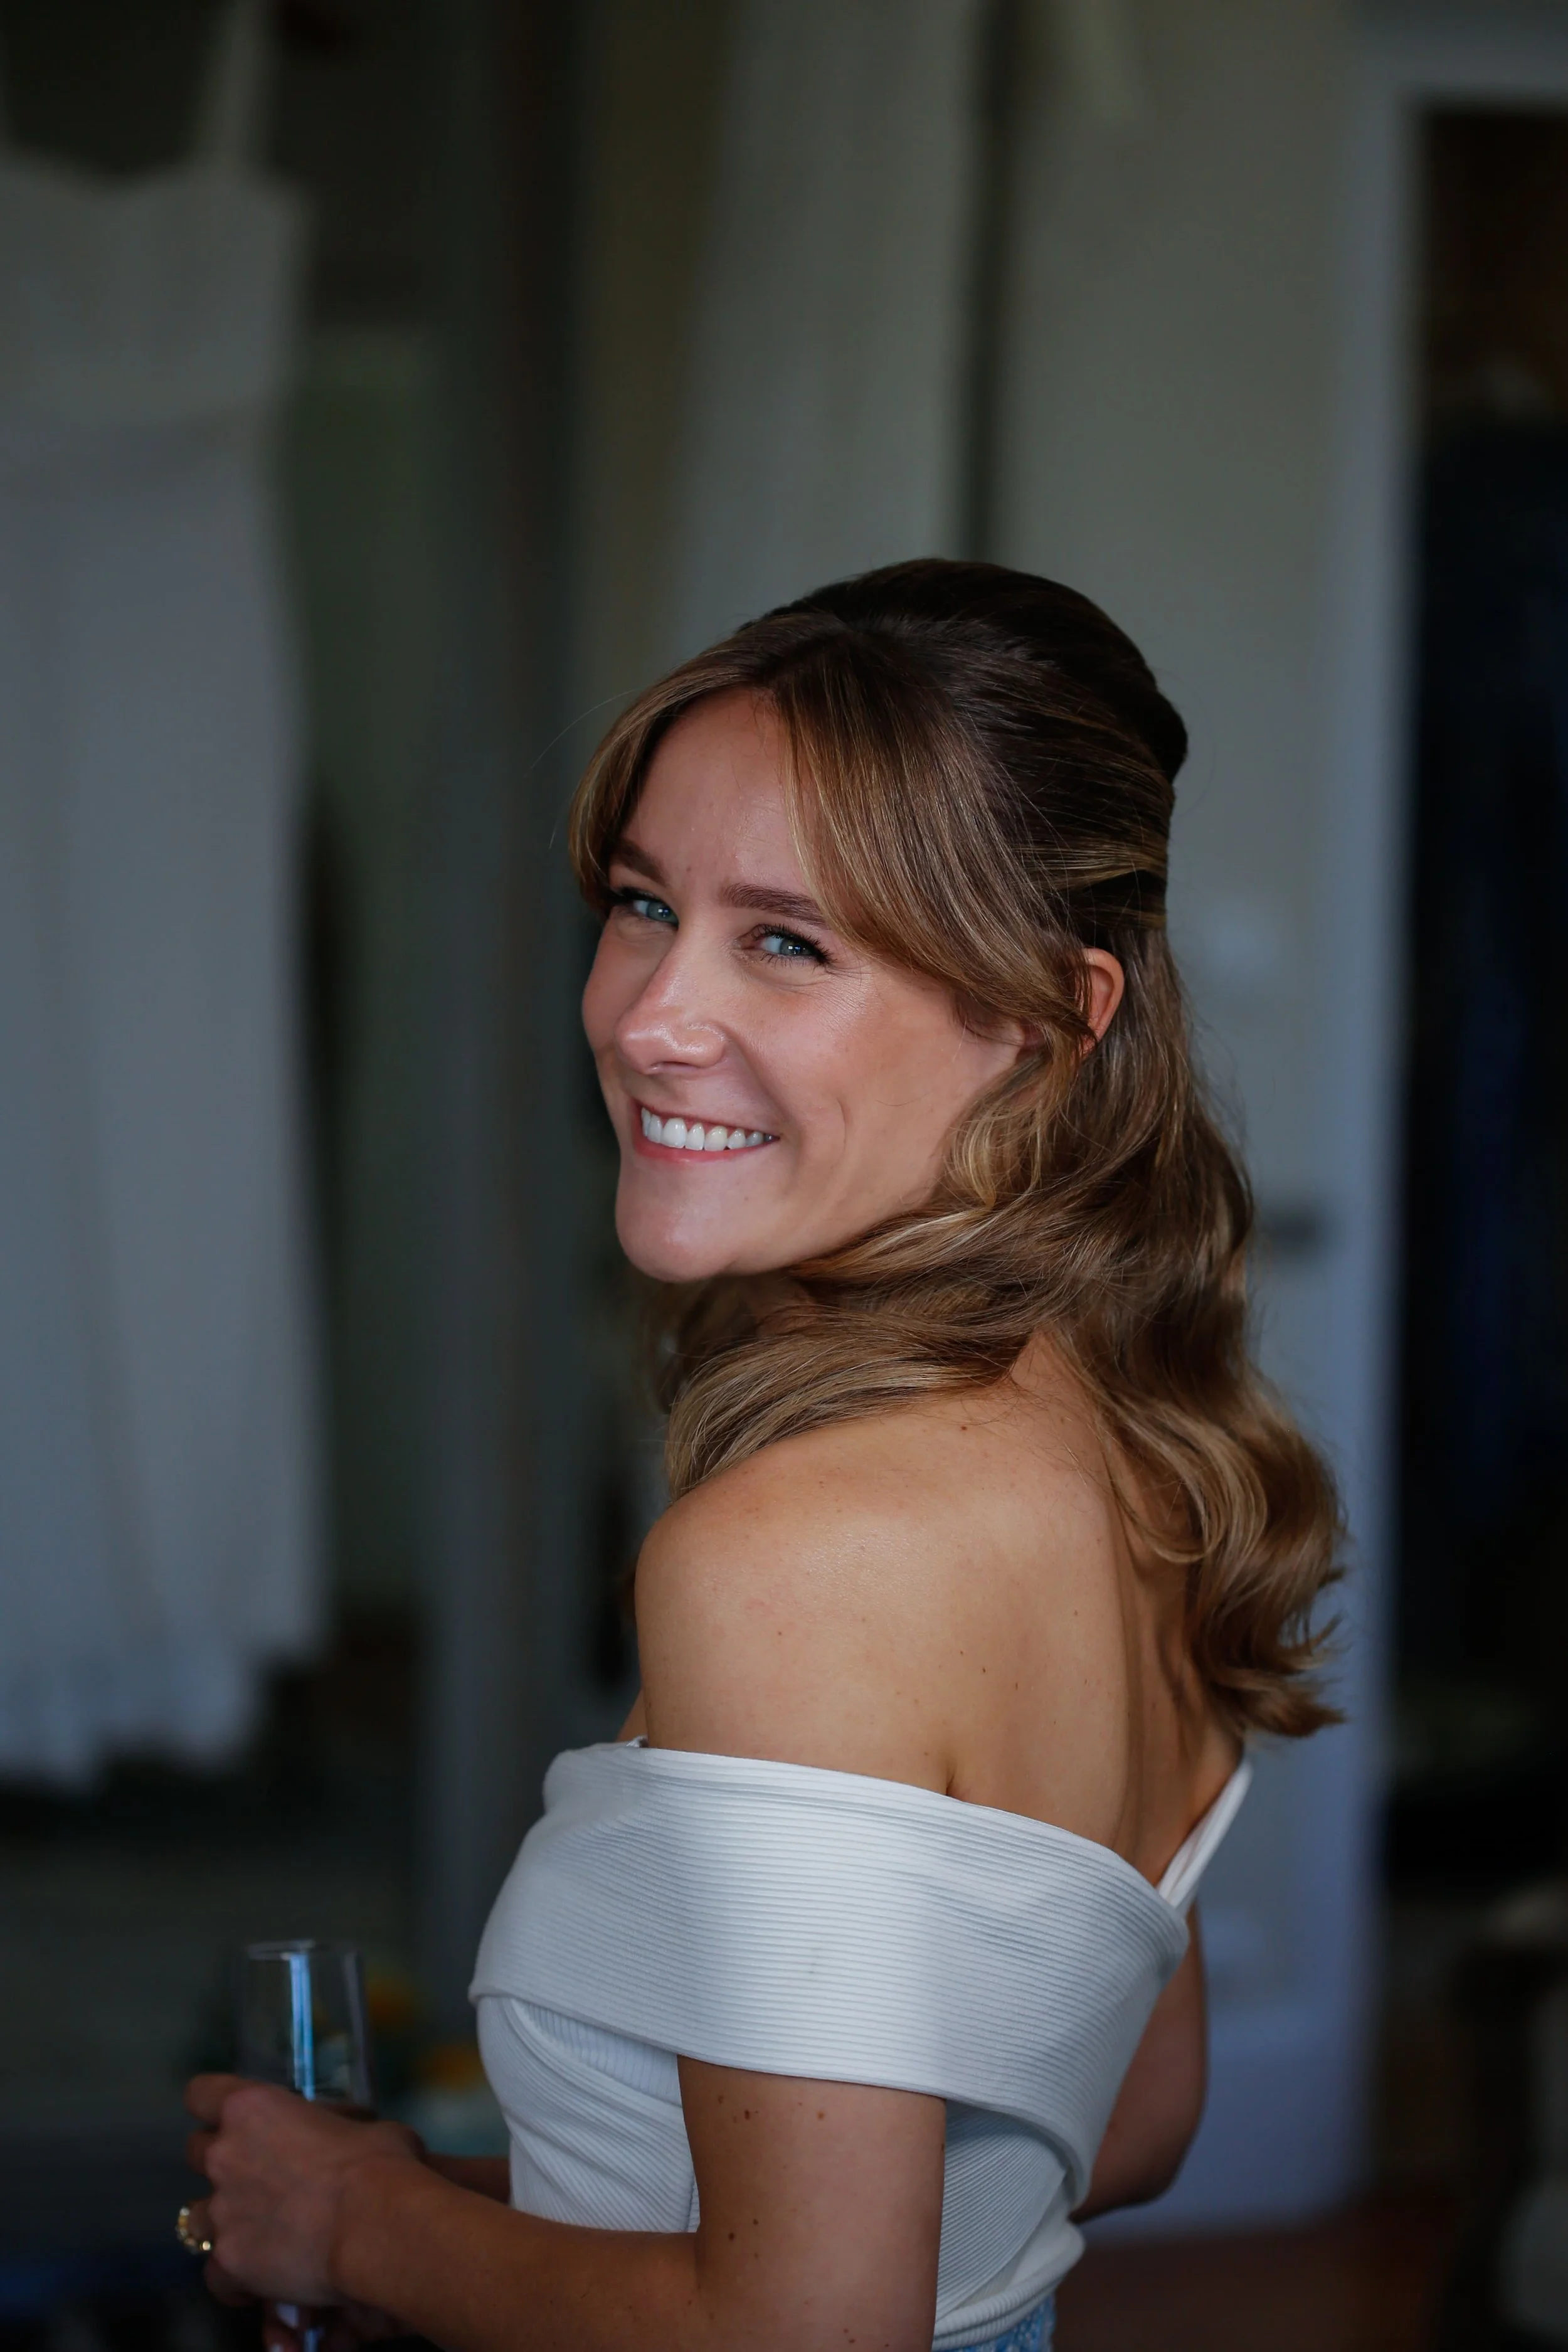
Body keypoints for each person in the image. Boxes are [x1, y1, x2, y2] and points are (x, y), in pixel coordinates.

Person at [183, 561, 1340, 2352]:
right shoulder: (1139, 1451)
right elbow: (1119, 2124)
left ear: (1049, 1015)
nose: (649, 1015)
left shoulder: (800, 1553)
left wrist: (351, 2223)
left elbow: (809, 2326)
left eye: (787, 942)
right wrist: (491, 2213)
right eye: (644, 905)